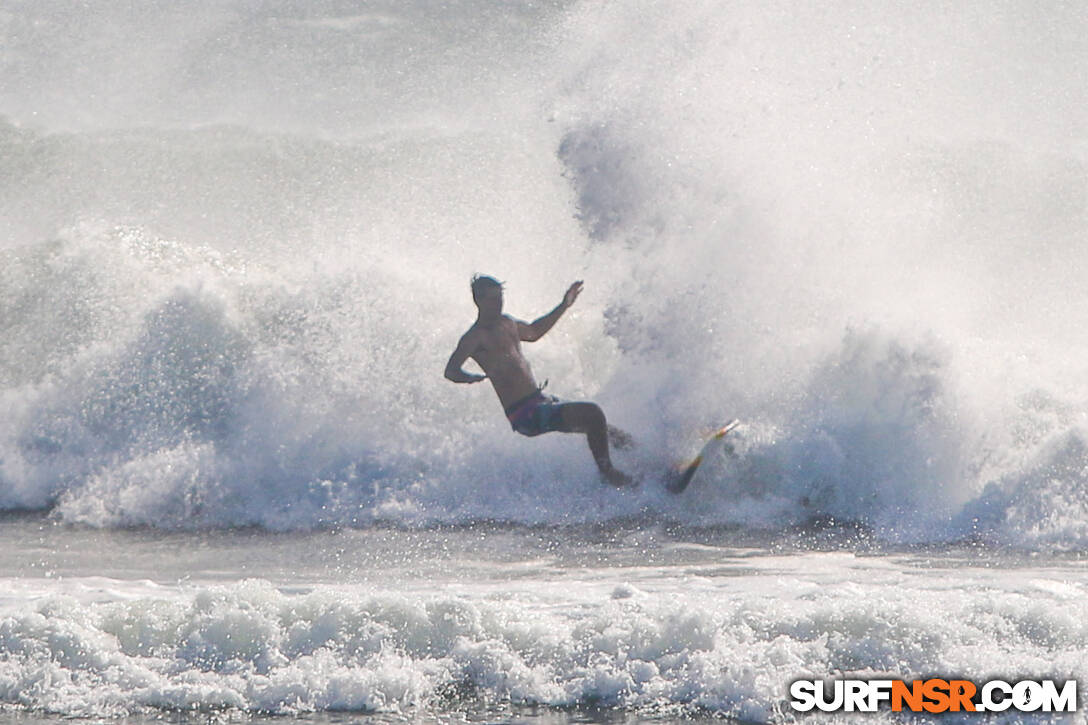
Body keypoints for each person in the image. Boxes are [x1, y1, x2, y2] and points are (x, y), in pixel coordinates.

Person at [444, 275, 634, 487]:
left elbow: (534, 332)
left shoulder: (507, 323)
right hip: (525, 414)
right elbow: (450, 371)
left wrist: (564, 305)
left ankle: (644, 460)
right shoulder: (475, 337)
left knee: (603, 427)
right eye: (493, 299)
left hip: (540, 401)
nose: (499, 303)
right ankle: (609, 474)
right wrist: (470, 378)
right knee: (593, 413)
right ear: (479, 301)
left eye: (500, 298)